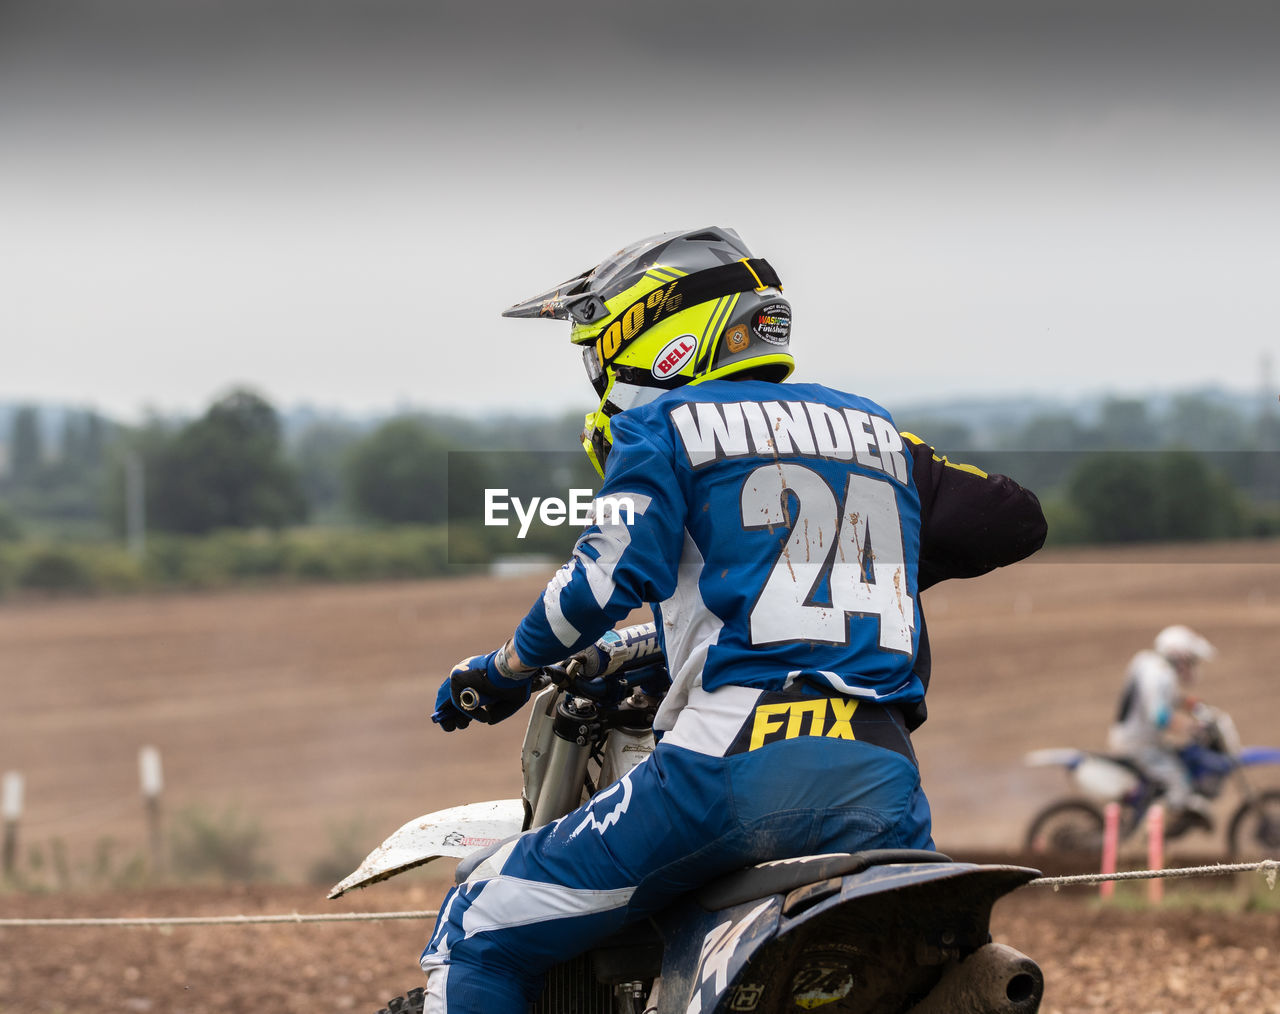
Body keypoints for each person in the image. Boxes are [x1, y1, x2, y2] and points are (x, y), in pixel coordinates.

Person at [420, 226, 1048, 1014]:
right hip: (885, 779)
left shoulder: (664, 426)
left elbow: (603, 580)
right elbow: (1012, 520)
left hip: (735, 767)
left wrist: (501, 671)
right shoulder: (877, 434)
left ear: (655, 334)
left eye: (597, 351)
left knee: (475, 924)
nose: (599, 375)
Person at [1108, 624, 1218, 817]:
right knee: (1180, 783)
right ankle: (1151, 836)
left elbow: (1158, 698)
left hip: (1135, 738)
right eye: (1191, 660)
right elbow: (1159, 717)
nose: (1192, 666)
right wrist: (1192, 727)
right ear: (1179, 657)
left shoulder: (1146, 662)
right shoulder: (1160, 674)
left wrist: (1187, 703)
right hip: (1139, 744)